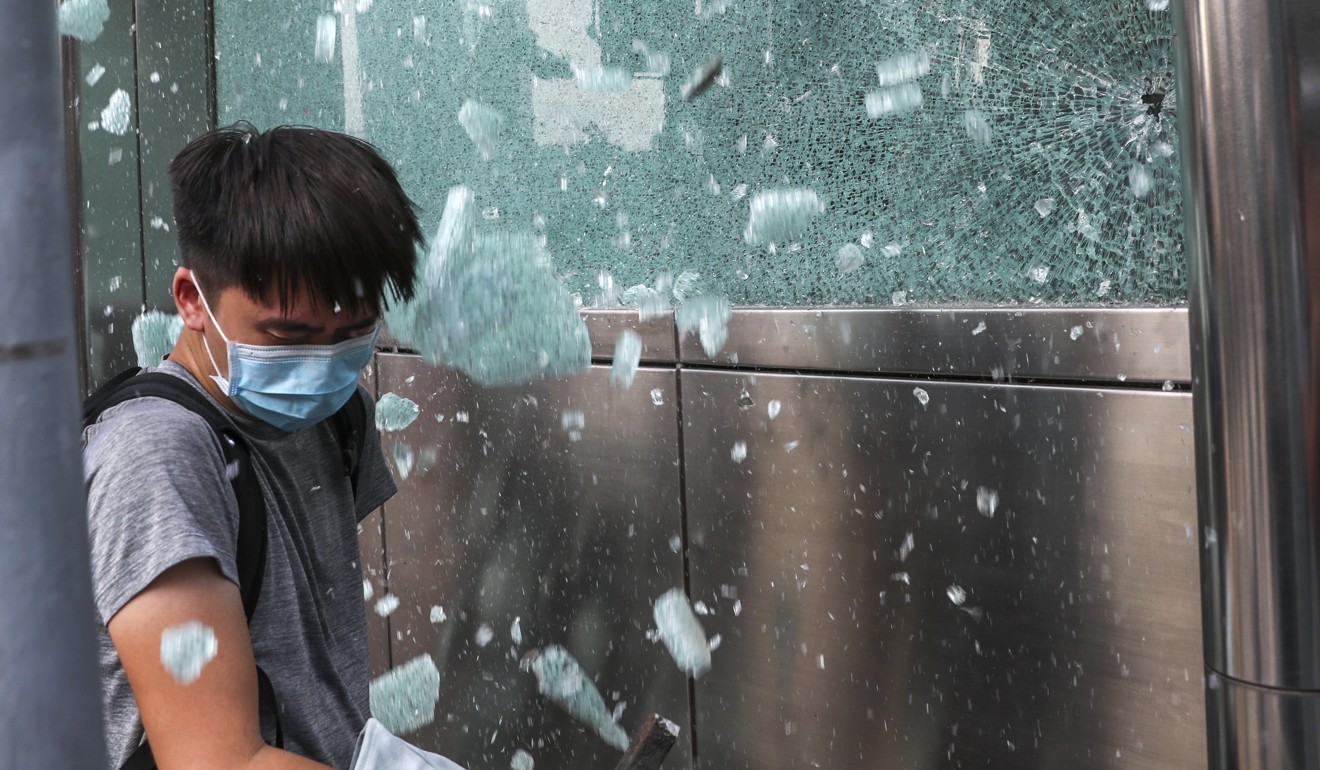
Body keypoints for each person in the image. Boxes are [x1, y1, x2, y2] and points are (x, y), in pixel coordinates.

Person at [82, 123, 424, 769]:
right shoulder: (156, 455)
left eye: (351, 334)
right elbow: (218, 761)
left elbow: (304, 666)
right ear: (192, 299)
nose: (321, 364)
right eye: (287, 335)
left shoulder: (338, 415)